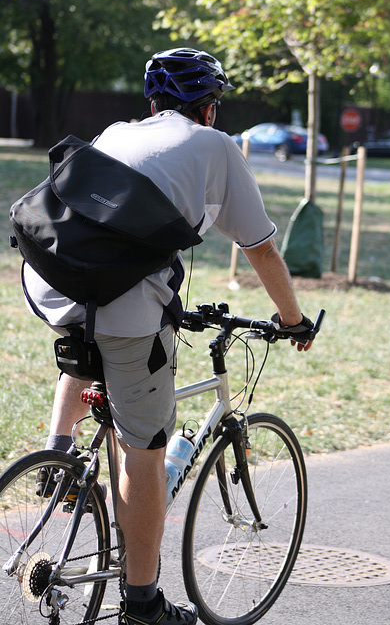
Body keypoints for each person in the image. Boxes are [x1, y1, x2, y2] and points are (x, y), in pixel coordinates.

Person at [23, 47, 314, 625]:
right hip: (124, 302)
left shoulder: (116, 131)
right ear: (208, 108)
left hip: (53, 279)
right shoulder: (216, 146)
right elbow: (259, 247)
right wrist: (292, 319)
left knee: (87, 347)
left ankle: (58, 463)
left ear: (153, 103)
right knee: (143, 450)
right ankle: (143, 603)